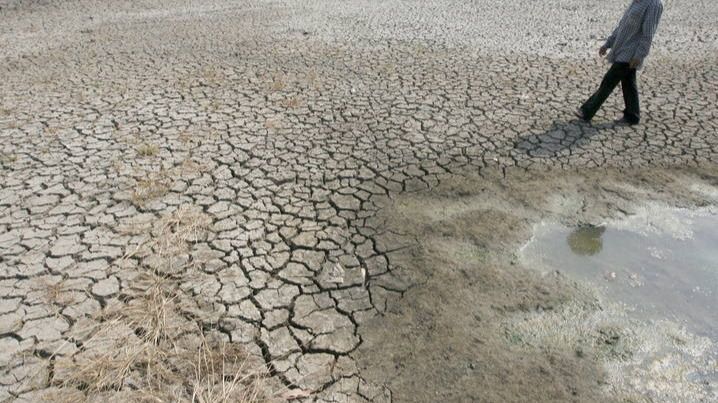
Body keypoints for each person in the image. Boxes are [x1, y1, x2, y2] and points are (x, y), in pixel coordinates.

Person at [576, 0, 663, 125]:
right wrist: (608, 44)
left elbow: (648, 34)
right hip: (621, 48)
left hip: (631, 53)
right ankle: (632, 115)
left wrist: (639, 55)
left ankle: (587, 111)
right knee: (628, 83)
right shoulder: (637, 2)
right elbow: (623, 25)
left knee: (609, 80)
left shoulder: (654, 4)